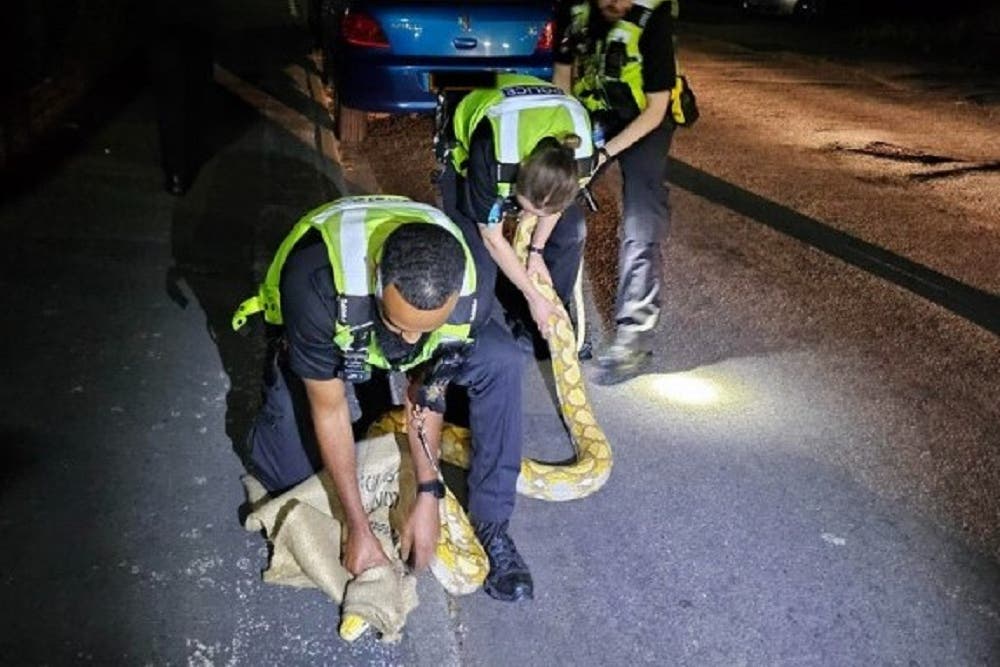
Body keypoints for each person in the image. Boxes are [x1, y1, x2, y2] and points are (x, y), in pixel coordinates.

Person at [232, 195, 534, 602]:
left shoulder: (474, 288)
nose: (412, 340)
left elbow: (427, 389)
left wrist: (428, 492)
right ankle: (333, 415)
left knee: (502, 359)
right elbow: (330, 407)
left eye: (425, 330)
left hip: (383, 326)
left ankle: (493, 526)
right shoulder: (316, 283)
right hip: (332, 334)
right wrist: (356, 526)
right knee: (289, 477)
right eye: (400, 325)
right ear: (376, 279)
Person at [553, 0, 680, 378]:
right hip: (596, 116)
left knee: (642, 219)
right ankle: (556, 320)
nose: (616, 3)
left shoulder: (652, 18)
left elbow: (657, 107)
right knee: (555, 199)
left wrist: (605, 152)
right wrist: (569, 139)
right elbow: (563, 76)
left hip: (645, 121)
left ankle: (634, 336)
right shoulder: (575, 12)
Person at [437, 73, 595, 357]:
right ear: (517, 176)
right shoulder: (493, 148)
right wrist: (532, 295)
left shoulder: (580, 154)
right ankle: (477, 331)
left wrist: (536, 252)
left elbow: (555, 206)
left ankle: (543, 318)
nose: (527, 215)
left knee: (573, 229)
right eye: (527, 208)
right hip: (473, 135)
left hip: (539, 121)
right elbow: (493, 238)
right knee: (479, 271)